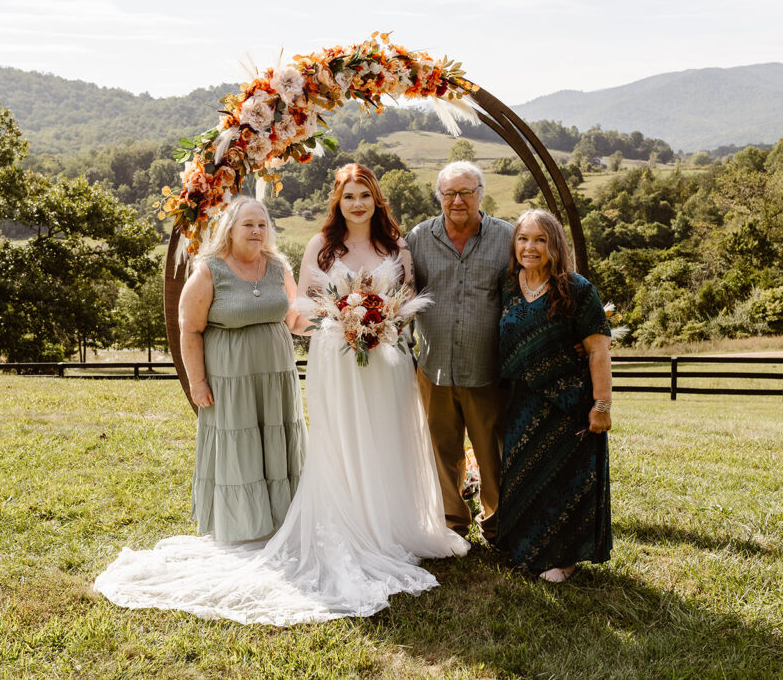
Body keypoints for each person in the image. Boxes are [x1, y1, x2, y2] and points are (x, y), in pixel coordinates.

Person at [94, 165, 467, 625]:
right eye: (349, 195)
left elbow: (406, 298)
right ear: (338, 201)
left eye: (365, 196)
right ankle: (347, 521)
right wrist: (343, 321)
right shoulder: (319, 247)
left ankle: (392, 525)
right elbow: (303, 304)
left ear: (376, 201)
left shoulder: (397, 247)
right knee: (341, 442)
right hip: (336, 356)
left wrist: (380, 323)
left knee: (387, 437)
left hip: (385, 357)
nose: (357, 203)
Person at [177, 196, 306, 542]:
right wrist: (198, 382)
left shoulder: (279, 266)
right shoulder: (209, 269)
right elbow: (189, 328)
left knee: (278, 442)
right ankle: (244, 526)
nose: (256, 231)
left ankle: (281, 520)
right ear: (230, 229)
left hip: (276, 375)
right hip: (231, 378)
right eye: (248, 224)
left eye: (262, 224)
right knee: (240, 444)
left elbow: (294, 317)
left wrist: (337, 319)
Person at [494, 209, 613, 583]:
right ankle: (524, 550)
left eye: (540, 240)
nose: (530, 247)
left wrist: (602, 405)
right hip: (520, 402)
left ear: (555, 245)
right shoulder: (508, 285)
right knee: (525, 476)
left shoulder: (577, 289)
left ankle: (565, 559)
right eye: (523, 239)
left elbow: (598, 350)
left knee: (565, 482)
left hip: (568, 404)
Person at [405, 161, 513, 542]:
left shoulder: (507, 238)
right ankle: (453, 525)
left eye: (466, 192)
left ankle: (498, 525)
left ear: (481, 194)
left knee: (492, 454)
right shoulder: (418, 238)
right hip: (433, 368)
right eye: (449, 193)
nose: (457, 201)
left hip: (486, 369)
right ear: (439, 197)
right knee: (441, 452)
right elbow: (403, 295)